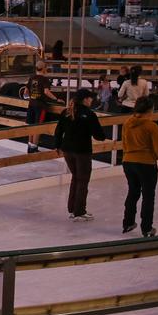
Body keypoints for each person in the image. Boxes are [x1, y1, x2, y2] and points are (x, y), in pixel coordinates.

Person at [121, 96, 158, 237]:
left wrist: (127, 157)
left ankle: (128, 222)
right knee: (148, 196)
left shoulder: (127, 123)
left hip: (128, 162)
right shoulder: (151, 126)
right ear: (150, 109)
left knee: (133, 192)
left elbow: (124, 144)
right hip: (146, 165)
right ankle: (147, 228)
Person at [54, 88, 106, 221]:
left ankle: (73, 209)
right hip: (82, 152)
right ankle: (79, 211)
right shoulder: (89, 114)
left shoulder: (66, 112)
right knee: (82, 180)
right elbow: (99, 135)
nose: (92, 100)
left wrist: (57, 145)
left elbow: (58, 130)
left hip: (67, 150)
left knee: (76, 178)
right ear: (85, 99)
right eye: (90, 98)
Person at [25, 61, 60, 153]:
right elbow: (46, 92)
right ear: (44, 68)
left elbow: (26, 91)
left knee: (31, 125)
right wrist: (56, 99)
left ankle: (30, 146)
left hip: (31, 104)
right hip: (40, 105)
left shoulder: (31, 78)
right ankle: (34, 148)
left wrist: (31, 97)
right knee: (38, 126)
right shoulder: (44, 79)